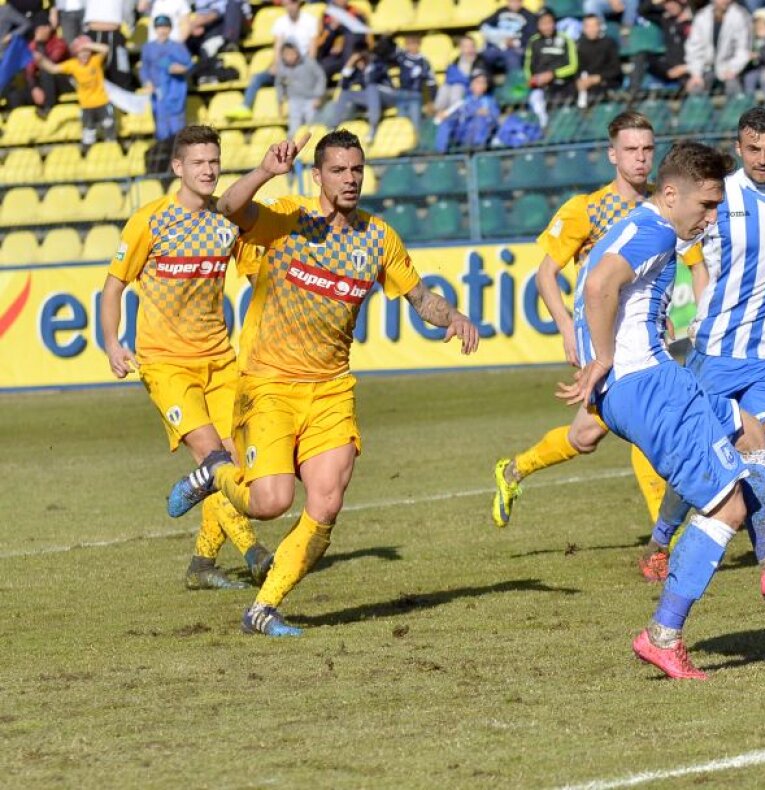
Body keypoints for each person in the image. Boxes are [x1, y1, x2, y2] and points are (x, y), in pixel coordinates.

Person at [166, 129, 480, 637]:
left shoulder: (377, 236)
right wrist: (266, 169)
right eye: (338, 170)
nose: (349, 179)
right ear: (318, 175)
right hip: (268, 383)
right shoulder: (290, 217)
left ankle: (263, 609)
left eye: (356, 170)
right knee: (270, 503)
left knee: (327, 503)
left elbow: (420, 298)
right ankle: (214, 475)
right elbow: (227, 206)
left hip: (331, 389)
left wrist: (454, 317)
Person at [559, 140, 760, 680]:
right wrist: (602, 359)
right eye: (707, 206)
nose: (711, 218)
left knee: (752, 431)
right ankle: (662, 635)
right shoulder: (653, 230)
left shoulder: (634, 225)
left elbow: (599, 287)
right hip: (646, 386)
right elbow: (600, 287)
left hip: (652, 380)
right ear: (671, 194)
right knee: (727, 509)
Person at [638, 109, 765, 617]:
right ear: (739, 147)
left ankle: (750, 554)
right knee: (726, 450)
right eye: (753, 149)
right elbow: (673, 247)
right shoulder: (719, 197)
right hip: (717, 351)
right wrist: (659, 312)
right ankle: (668, 544)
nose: (763, 159)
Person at [491, 111, 687, 531]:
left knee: (585, 436)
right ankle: (665, 540)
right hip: (600, 342)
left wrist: (661, 315)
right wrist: (566, 328)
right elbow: (546, 274)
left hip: (641, 339)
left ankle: (513, 471)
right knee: (644, 426)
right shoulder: (588, 209)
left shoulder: (663, 206)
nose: (641, 158)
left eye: (647, 149)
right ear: (612, 155)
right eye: (631, 150)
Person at [99, 125, 273, 591]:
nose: (209, 170)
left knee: (234, 462)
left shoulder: (227, 219)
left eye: (214, 161)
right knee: (217, 460)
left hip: (220, 360)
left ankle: (201, 565)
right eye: (198, 162)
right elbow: (113, 286)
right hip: (164, 363)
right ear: (178, 168)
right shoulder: (150, 221)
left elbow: (260, 278)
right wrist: (113, 343)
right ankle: (255, 553)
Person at [225, 0, 317, 121]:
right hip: (285, 65)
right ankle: (245, 106)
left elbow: (312, 49)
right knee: (257, 77)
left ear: (298, 3)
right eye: (288, 3)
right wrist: (276, 64)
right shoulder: (281, 22)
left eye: (292, 2)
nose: (290, 6)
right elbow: (278, 46)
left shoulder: (310, 20)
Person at [35, 35, 114, 150]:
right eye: (81, 52)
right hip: (86, 106)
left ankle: (111, 150)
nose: (84, 54)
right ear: (76, 53)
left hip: (102, 103)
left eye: (87, 51)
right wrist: (41, 60)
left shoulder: (95, 61)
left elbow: (106, 49)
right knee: (88, 133)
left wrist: (86, 44)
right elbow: (53, 69)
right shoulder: (72, 65)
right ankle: (87, 153)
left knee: (109, 128)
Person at [139, 14, 191, 140]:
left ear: (170, 29)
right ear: (155, 29)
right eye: (159, 27)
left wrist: (180, 69)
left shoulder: (178, 47)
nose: (162, 30)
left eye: (165, 27)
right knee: (161, 127)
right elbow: (144, 69)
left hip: (175, 93)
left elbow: (189, 65)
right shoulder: (148, 48)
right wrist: (147, 82)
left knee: (177, 128)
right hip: (157, 94)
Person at [684, 0, 752, 95]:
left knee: (733, 89)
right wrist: (696, 74)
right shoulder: (702, 16)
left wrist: (733, 69)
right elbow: (694, 48)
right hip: (706, 69)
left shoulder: (740, 15)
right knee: (695, 89)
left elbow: (743, 49)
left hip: (730, 69)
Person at [524, 9, 577, 126]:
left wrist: (553, 74)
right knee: (535, 100)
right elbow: (528, 67)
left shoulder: (566, 39)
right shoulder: (533, 42)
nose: (547, 26)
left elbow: (573, 66)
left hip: (563, 84)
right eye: (543, 23)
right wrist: (536, 79)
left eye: (549, 22)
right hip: (540, 87)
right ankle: (543, 128)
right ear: (538, 25)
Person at [628, 0, 692, 95]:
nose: (670, 7)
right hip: (669, 67)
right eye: (666, 4)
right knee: (643, 56)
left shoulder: (692, 21)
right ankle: (633, 93)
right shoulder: (665, 20)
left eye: (672, 3)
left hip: (687, 67)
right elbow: (642, 11)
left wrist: (685, 68)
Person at [434, 68, 499, 152]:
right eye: (477, 82)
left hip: (481, 137)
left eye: (483, 83)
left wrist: (487, 114)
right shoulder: (463, 101)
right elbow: (454, 115)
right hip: (463, 135)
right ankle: (441, 154)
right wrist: (445, 116)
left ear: (486, 86)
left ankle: (478, 149)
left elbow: (494, 119)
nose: (480, 85)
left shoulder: (489, 101)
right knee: (446, 122)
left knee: (480, 119)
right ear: (471, 85)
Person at [21, 14, 69, 116]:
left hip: (62, 80)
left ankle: (48, 107)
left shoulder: (59, 43)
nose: (37, 33)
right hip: (42, 83)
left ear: (48, 28)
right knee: (19, 90)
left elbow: (50, 63)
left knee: (45, 72)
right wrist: (34, 88)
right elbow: (29, 70)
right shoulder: (32, 45)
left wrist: (40, 44)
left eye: (40, 29)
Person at [276, 40, 325, 138]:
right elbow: (279, 84)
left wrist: (318, 96)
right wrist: (280, 102)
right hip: (294, 101)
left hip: (311, 100)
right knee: (293, 130)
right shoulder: (282, 67)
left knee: (313, 128)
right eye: (286, 54)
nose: (290, 57)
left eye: (292, 53)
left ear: (297, 52)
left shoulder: (309, 62)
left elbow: (321, 77)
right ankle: (292, 152)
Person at [575, 14, 621, 108]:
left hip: (606, 83)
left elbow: (616, 69)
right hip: (585, 85)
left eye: (594, 25)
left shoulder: (609, 43)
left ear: (599, 26)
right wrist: (579, 81)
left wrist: (598, 78)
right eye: (588, 26)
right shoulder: (579, 45)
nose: (592, 29)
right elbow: (577, 69)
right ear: (584, 29)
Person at [480, 0, 538, 76]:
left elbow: (531, 36)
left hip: (514, 49)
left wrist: (515, 42)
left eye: (517, 1)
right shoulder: (501, 11)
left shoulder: (529, 16)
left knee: (513, 60)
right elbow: (483, 24)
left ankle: (515, 85)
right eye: (511, 1)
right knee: (483, 57)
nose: (514, 3)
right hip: (497, 45)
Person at [394, 32, 435, 134]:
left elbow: (431, 82)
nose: (411, 46)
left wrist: (431, 100)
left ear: (418, 44)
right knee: (401, 122)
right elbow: (386, 50)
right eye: (408, 44)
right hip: (401, 94)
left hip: (415, 95)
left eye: (413, 43)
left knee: (415, 121)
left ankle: (418, 145)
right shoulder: (402, 57)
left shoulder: (424, 62)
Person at [434, 34, 479, 118]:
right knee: (444, 88)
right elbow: (449, 79)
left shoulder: (480, 62)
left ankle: (454, 116)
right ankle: (440, 114)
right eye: (466, 46)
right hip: (456, 93)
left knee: (457, 88)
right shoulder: (455, 62)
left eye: (471, 46)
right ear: (460, 48)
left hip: (471, 95)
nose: (469, 49)